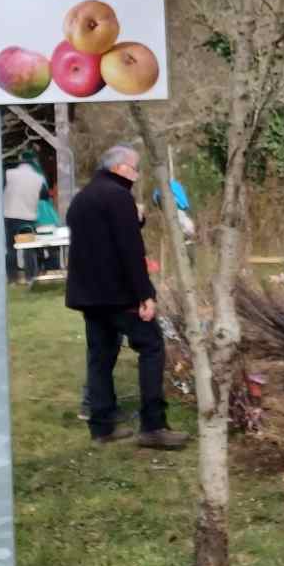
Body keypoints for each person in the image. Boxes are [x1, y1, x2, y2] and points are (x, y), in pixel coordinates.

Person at [65, 145, 189, 450]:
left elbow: (101, 237)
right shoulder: (118, 197)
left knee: (100, 358)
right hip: (118, 293)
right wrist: (145, 294)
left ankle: (102, 426)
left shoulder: (82, 199)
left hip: (89, 295)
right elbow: (129, 249)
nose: (137, 174)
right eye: (135, 168)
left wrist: (136, 218)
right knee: (151, 347)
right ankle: (153, 424)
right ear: (120, 168)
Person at [2, 153, 45, 283]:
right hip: (28, 217)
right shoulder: (39, 178)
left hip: (10, 215)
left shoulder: (9, 174)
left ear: (20, 160)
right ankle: (30, 277)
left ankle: (12, 278)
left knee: (11, 249)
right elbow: (44, 196)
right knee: (28, 248)